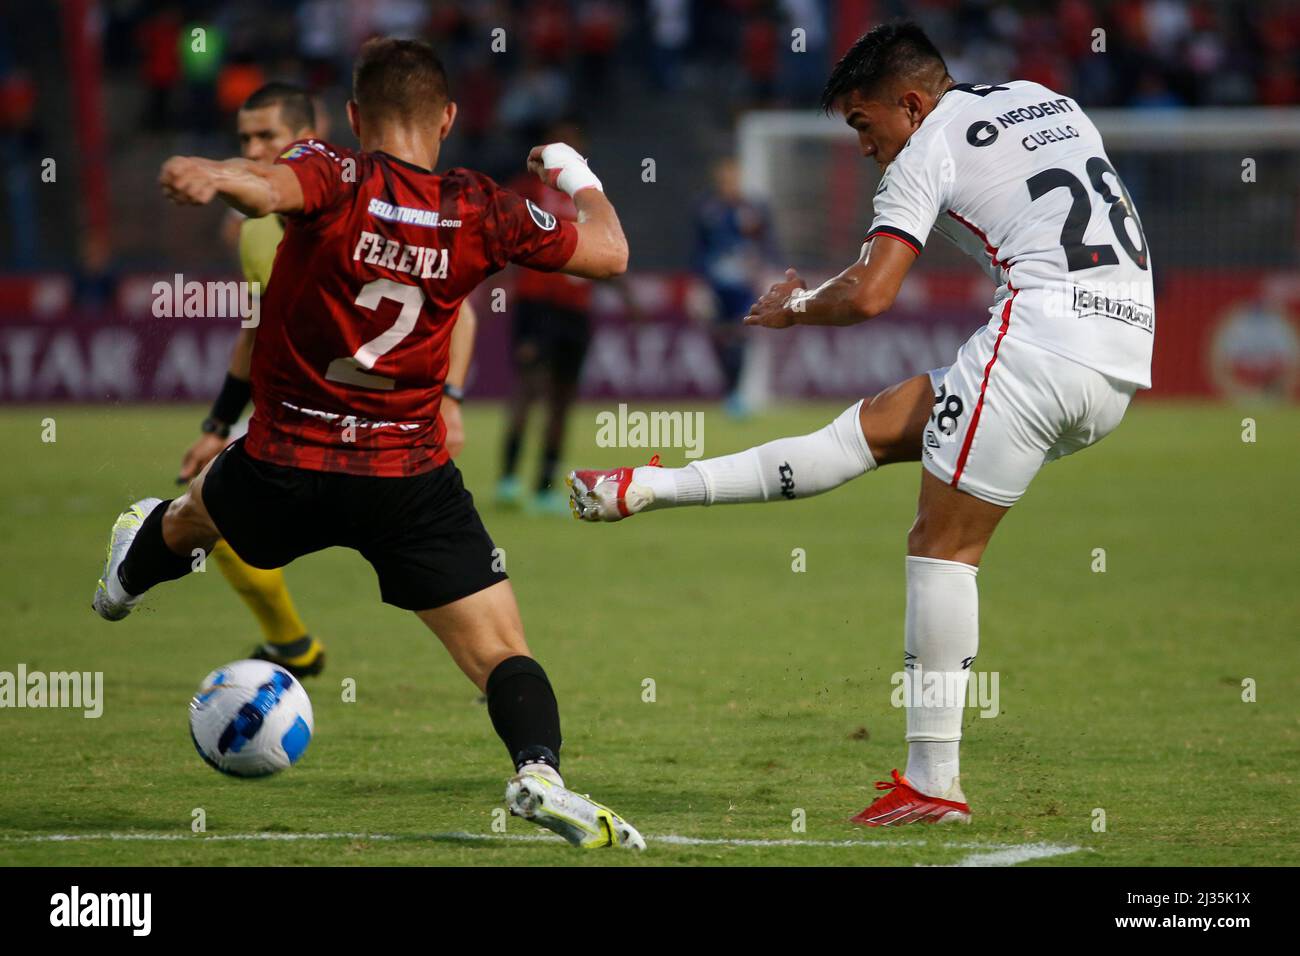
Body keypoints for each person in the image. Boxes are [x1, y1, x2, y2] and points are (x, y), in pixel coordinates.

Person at [568, 21, 1153, 827]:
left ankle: (931, 783)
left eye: (862, 123)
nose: (863, 146)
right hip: (1123, 352)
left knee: (942, 548)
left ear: (910, 104)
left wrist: (797, 308)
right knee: (871, 432)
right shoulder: (1041, 98)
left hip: (1042, 339)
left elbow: (872, 295)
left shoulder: (924, 149)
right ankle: (650, 487)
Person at [93, 38, 643, 849]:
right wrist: (575, 175)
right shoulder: (482, 206)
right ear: (449, 118)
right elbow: (611, 252)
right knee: (500, 652)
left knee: (189, 517)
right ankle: (538, 773)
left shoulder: (335, 172)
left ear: (351, 118)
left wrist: (216, 176)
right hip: (407, 477)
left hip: (286, 460)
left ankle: (121, 586)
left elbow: (272, 185)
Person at [175, 81, 477, 678]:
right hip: (295, 408)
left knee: (417, 544)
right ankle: (291, 644)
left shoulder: (362, 200)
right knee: (200, 509)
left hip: (382, 419)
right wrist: (216, 424)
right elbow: (256, 329)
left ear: (308, 140)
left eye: (269, 136)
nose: (256, 148)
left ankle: (491, 662)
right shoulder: (256, 228)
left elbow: (460, 312)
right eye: (245, 138)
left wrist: (451, 399)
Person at [692, 156, 780, 417]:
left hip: (744, 286)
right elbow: (698, 248)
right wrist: (698, 284)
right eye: (725, 177)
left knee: (741, 337)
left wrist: (767, 271)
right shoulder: (706, 208)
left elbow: (767, 243)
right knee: (719, 338)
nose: (729, 182)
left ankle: (736, 394)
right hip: (716, 286)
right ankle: (729, 390)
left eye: (733, 177)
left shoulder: (754, 208)